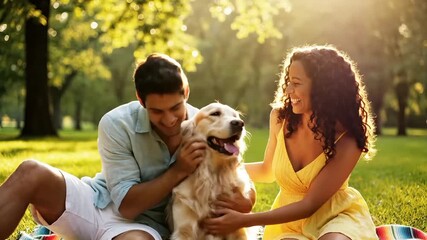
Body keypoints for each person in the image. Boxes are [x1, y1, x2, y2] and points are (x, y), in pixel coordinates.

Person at [0, 53, 254, 240]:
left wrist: (246, 201)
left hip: (144, 227)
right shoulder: (116, 122)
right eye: (156, 111)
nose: (169, 119)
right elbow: (127, 205)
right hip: (96, 201)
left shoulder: (207, 124)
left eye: (176, 108)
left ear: (186, 91)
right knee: (31, 172)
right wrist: (178, 170)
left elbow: (238, 174)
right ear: (139, 99)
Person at [203, 45, 378, 240]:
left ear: (322, 88)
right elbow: (267, 171)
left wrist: (242, 220)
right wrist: (217, 168)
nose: (288, 89)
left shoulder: (348, 137)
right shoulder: (280, 118)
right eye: (288, 81)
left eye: (296, 83)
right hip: (288, 223)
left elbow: (310, 205)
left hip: (336, 217)